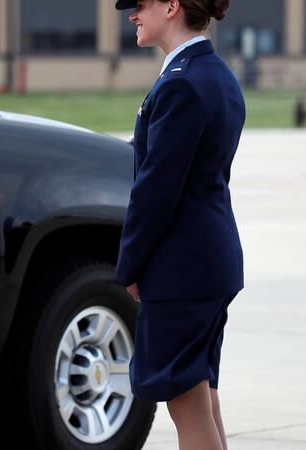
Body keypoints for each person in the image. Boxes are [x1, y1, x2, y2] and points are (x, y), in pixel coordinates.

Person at [114, 0, 244, 449]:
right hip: (208, 261)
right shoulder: (215, 74)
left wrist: (129, 266)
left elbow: (156, 192)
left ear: (171, 7)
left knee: (186, 404)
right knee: (201, 399)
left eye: (139, 5)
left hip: (181, 269)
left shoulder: (182, 84)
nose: (131, 14)